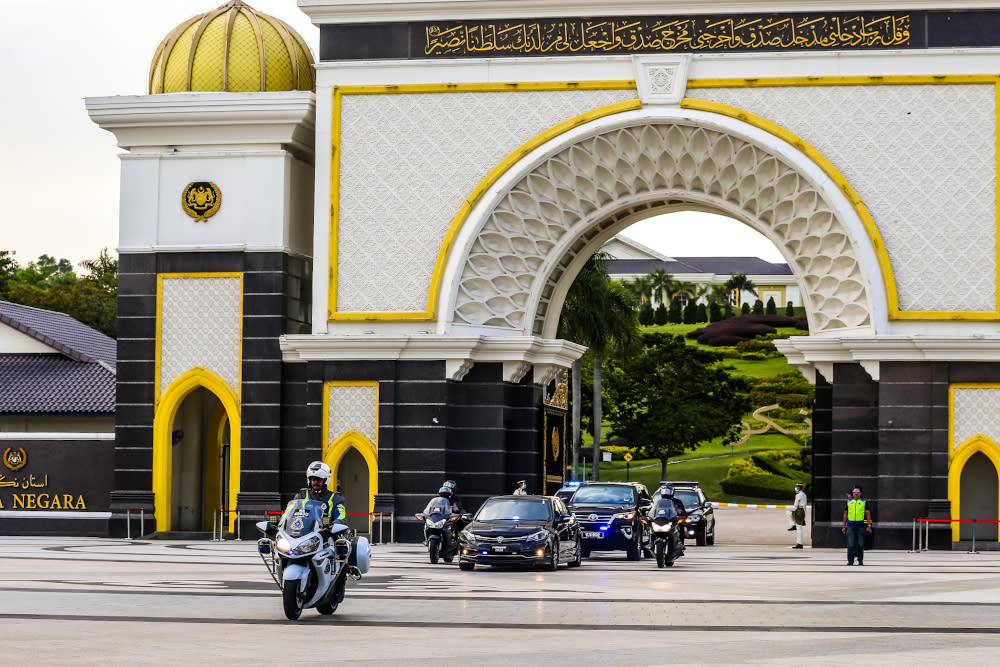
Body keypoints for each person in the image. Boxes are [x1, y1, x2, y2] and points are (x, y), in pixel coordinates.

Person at [842, 487, 872, 565]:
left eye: (857, 491)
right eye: (854, 491)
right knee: (851, 544)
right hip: (851, 525)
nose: (856, 493)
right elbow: (845, 514)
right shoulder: (848, 501)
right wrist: (844, 526)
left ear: (860, 493)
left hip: (861, 526)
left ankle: (860, 559)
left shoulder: (864, 501)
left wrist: (869, 525)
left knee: (860, 544)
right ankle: (850, 561)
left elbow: (868, 514)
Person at [786, 482, 807, 549]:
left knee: (788, 512)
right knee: (788, 513)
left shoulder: (799, 495)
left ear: (799, 487)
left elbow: (795, 506)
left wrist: (788, 508)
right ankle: (799, 543)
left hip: (799, 511)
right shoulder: (804, 494)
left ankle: (799, 544)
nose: (795, 488)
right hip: (802, 511)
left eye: (796, 487)